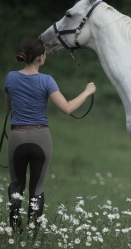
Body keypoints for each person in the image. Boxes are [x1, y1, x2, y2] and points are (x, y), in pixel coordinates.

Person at [4, 37, 96, 235]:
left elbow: (9, 106)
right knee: (36, 189)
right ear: (40, 57)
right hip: (40, 138)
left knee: (16, 185)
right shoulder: (47, 81)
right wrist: (87, 92)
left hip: (17, 136)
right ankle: (33, 236)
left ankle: (14, 234)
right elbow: (67, 108)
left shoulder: (10, 77)